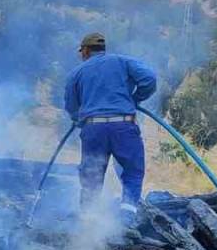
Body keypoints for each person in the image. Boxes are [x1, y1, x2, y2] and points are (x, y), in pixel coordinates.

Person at [63, 32, 158, 211]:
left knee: (91, 175)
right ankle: (128, 214)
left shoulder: (76, 73)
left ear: (85, 51)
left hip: (93, 129)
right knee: (132, 171)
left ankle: (88, 220)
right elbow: (149, 79)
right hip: (123, 126)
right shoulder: (123, 62)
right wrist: (135, 99)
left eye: (81, 51)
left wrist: (77, 119)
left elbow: (70, 104)